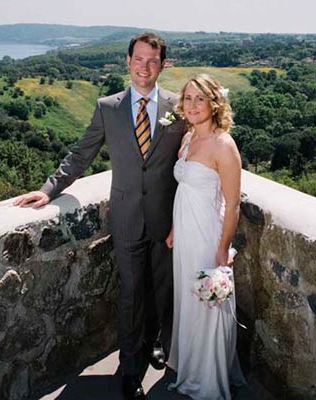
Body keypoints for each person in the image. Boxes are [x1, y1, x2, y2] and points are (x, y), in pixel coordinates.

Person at [13, 32, 186, 400]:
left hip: (166, 216)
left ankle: (155, 343)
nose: (145, 67)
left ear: (163, 65)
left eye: (152, 61)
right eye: (138, 59)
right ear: (127, 61)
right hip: (125, 216)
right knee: (130, 292)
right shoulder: (108, 107)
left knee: (161, 287)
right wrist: (47, 190)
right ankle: (129, 365)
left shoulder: (178, 106)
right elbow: (81, 154)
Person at [166, 74, 246, 400]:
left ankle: (208, 380)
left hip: (206, 235)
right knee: (187, 297)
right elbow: (185, 187)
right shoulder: (187, 139)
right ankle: (189, 363)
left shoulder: (223, 144)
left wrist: (223, 248)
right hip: (184, 233)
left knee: (207, 304)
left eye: (200, 99)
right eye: (188, 99)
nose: (193, 105)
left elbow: (233, 204)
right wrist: (173, 229)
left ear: (214, 102)